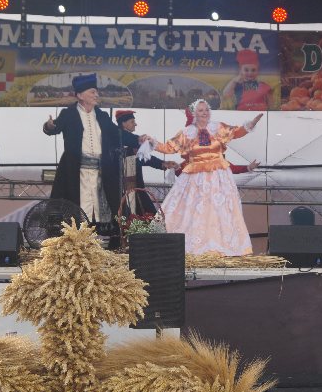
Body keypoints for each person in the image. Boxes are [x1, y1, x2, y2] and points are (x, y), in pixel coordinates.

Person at [152, 99, 263, 255]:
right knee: (193, 210)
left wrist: (250, 125)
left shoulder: (217, 128)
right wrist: (151, 142)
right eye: (201, 110)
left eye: (206, 110)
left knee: (219, 211)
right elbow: (168, 148)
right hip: (195, 178)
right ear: (194, 114)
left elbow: (236, 132)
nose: (205, 113)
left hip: (218, 177)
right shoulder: (187, 133)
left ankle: (220, 246)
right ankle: (192, 246)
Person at [43, 73, 147, 227]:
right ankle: (75, 236)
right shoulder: (68, 114)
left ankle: (99, 234)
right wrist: (49, 126)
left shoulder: (102, 116)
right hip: (76, 170)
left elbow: (117, 134)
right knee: (76, 207)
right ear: (80, 95)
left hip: (100, 171)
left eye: (96, 92)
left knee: (101, 209)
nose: (96, 95)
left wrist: (137, 139)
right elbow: (53, 128)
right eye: (92, 92)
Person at [115, 110, 179, 215]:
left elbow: (144, 158)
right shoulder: (119, 139)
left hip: (136, 186)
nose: (135, 124)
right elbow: (142, 157)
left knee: (146, 214)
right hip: (120, 187)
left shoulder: (134, 141)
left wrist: (163, 163)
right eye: (132, 121)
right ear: (123, 123)